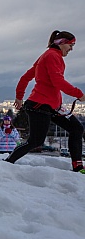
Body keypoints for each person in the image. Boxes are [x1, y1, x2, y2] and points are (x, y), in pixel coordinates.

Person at [5, 30, 85, 173]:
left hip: (51, 106)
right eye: (71, 45)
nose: (72, 49)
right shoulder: (52, 56)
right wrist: (79, 94)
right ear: (62, 43)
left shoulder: (48, 56)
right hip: (39, 105)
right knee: (36, 141)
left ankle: (78, 166)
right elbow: (58, 81)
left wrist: (19, 96)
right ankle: (7, 162)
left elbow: (25, 78)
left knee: (77, 128)